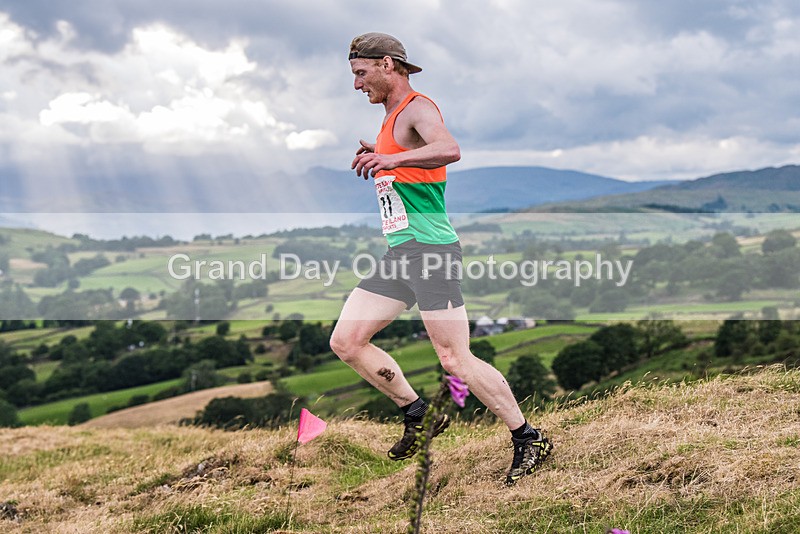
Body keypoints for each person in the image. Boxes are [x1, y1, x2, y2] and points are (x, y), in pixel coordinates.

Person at [330, 32, 552, 486]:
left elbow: (450, 149)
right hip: (401, 253)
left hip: (430, 253)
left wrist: (389, 162)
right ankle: (416, 411)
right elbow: (410, 165)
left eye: (360, 73)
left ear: (388, 64)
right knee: (347, 341)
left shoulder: (417, 107)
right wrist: (382, 157)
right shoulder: (391, 119)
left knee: (455, 359)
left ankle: (529, 438)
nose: (356, 85)